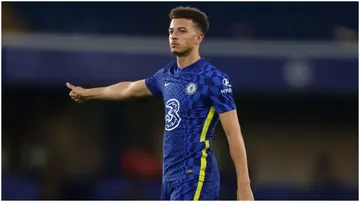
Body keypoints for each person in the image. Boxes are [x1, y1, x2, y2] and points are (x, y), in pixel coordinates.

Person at [66, 6, 254, 201]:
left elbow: (234, 134)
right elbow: (127, 89)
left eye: (182, 31)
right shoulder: (167, 75)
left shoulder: (213, 78)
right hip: (169, 178)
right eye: (171, 32)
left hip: (195, 174)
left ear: (198, 38)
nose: (174, 36)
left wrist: (244, 185)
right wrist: (88, 93)